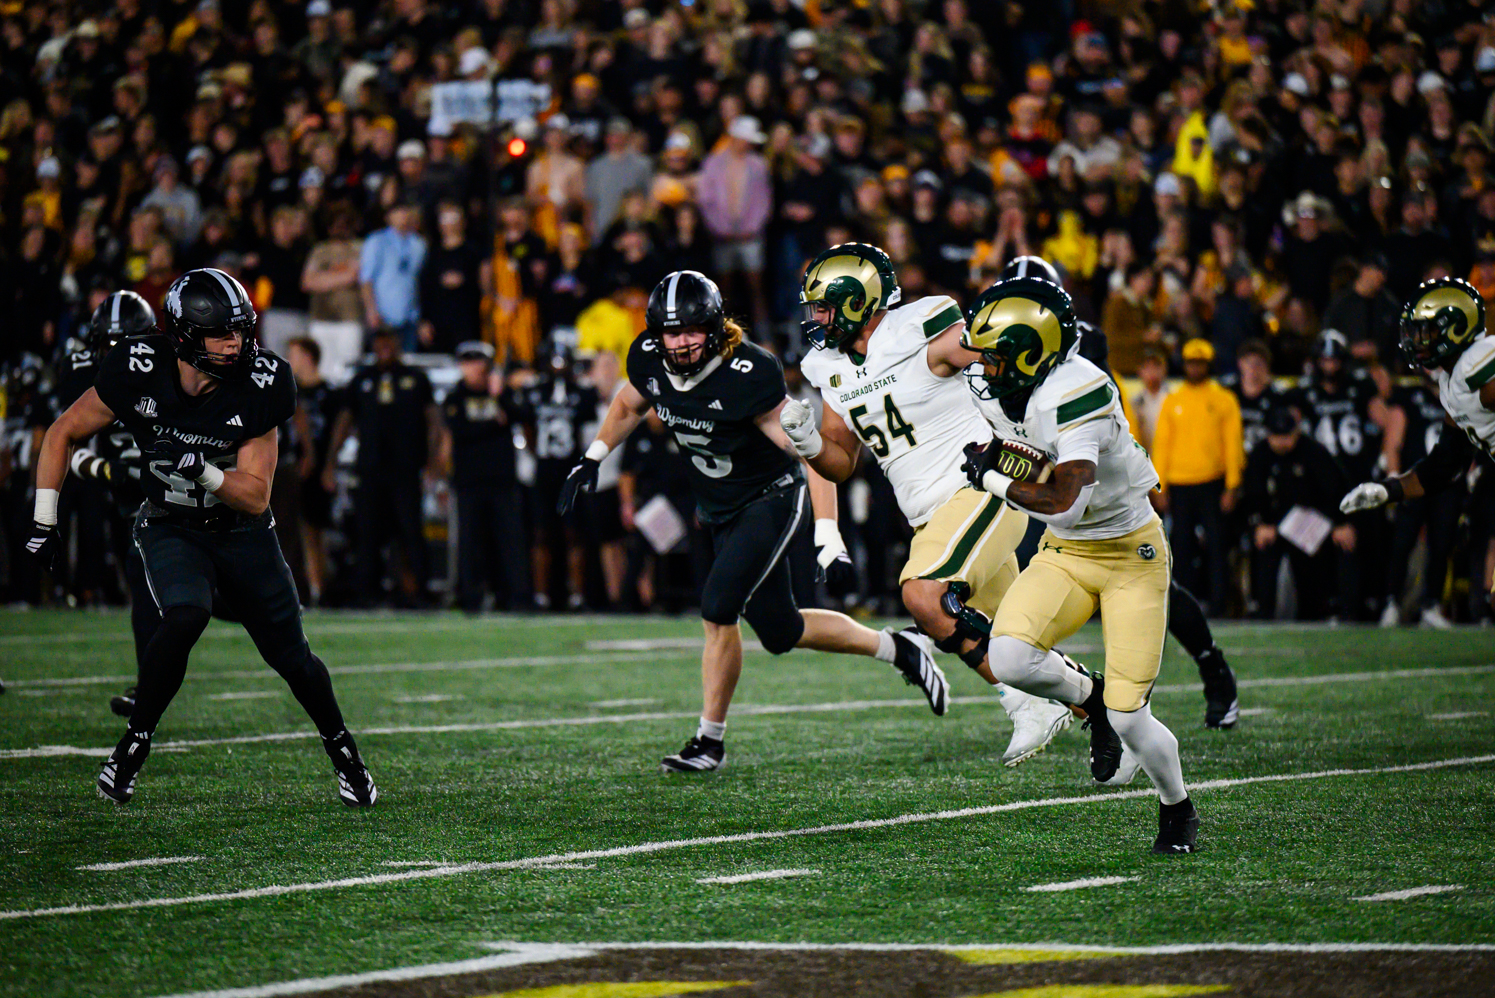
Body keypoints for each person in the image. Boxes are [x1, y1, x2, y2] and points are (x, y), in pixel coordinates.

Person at [559, 270, 949, 773]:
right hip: (718, 507)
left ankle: (709, 740)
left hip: (770, 499)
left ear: (716, 327)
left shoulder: (749, 372)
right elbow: (630, 402)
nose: (679, 343)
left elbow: (809, 451)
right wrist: (593, 456)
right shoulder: (649, 357)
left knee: (718, 606)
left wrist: (827, 536)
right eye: (670, 332)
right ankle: (901, 648)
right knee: (780, 630)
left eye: (691, 331)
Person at [26, 268, 375, 806]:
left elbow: (257, 494)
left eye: (241, 330)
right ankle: (134, 744)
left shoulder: (264, 382)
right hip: (170, 523)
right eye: (223, 333)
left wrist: (205, 471)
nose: (237, 343)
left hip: (243, 532)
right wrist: (43, 521)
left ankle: (343, 750)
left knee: (292, 658)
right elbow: (62, 432)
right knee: (185, 613)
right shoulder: (138, 366)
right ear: (187, 335)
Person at [782, 243, 1074, 766]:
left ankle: (1024, 703)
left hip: (979, 488)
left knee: (925, 598)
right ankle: (1108, 716)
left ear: (856, 302)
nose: (816, 320)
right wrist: (807, 445)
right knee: (1020, 648)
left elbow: (1000, 359)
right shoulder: (827, 367)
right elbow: (840, 462)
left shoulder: (920, 328)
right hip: (929, 517)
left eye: (824, 307)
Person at [959, 275, 1199, 854]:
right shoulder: (998, 390)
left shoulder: (1078, 386)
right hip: (1065, 551)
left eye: (993, 356)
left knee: (1132, 715)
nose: (983, 368)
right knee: (1010, 656)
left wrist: (992, 475)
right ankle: (1087, 698)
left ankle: (1177, 805)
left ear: (1028, 352)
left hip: (1128, 554)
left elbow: (1065, 497)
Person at [1004, 255, 1237, 730]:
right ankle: (1059, 696)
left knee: (1151, 583)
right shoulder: (996, 344)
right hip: (1036, 473)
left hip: (1093, 474)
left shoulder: (1082, 342)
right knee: (1022, 577)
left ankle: (1211, 668)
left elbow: (1092, 415)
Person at [1341, 277, 1495, 619]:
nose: (1415, 340)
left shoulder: (1477, 367)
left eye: (1424, 332)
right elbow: (1446, 464)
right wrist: (1390, 490)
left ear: (1455, 329)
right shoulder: (1453, 383)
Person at [53, 291, 158, 717]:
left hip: (171, 485)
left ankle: (149, 687)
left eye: (126, 345)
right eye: (109, 346)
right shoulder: (79, 371)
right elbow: (62, 445)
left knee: (150, 576)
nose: (117, 356)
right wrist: (108, 471)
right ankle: (149, 685)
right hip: (120, 486)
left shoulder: (173, 365)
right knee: (146, 582)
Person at [323, 327, 444, 608]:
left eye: (389, 341)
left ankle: (418, 591)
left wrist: (434, 463)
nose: (384, 346)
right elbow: (344, 422)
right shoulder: (361, 379)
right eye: (379, 341)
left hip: (406, 468)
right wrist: (330, 463)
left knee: (410, 530)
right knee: (367, 531)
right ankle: (367, 591)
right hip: (369, 469)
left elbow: (434, 424)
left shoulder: (416, 379)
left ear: (397, 344)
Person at [1289, 330, 1400, 618]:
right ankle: (1323, 606)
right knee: (1316, 546)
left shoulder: (1359, 387)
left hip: (1357, 477)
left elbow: (1386, 421)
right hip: (1319, 486)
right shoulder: (1302, 394)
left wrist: (1386, 459)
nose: (1330, 366)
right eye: (1324, 360)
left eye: (1334, 359)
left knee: (1368, 545)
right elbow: (1289, 432)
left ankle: (1367, 604)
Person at [1151, 339, 1244, 615]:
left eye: (1200, 363)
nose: (1195, 368)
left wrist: (1232, 485)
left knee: (1217, 547)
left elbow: (1233, 443)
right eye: (1191, 362)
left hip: (1212, 482)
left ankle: (1218, 604)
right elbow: (1162, 444)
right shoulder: (1173, 400)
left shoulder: (1223, 399)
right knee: (1181, 547)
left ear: (1208, 365)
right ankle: (1184, 607)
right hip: (1179, 485)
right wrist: (1159, 486)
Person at [1242, 406, 1356, 620]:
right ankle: (1261, 608)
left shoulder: (1314, 452)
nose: (1282, 442)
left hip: (1310, 523)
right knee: (1263, 547)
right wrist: (1259, 523)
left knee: (1316, 561)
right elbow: (1252, 494)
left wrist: (1340, 522)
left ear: (1296, 432)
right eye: (1277, 436)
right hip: (1273, 523)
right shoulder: (1260, 455)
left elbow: (1336, 489)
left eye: (1287, 436)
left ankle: (1320, 612)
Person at [442, 341, 528, 613]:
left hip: (502, 481)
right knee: (470, 544)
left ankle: (515, 597)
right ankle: (471, 597)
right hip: (469, 482)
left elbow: (522, 415)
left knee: (510, 542)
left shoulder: (502, 393)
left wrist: (500, 396)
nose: (475, 367)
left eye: (479, 361)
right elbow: (461, 431)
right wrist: (494, 422)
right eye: (469, 362)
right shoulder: (455, 398)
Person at [518, 342, 600, 610]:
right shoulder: (534, 392)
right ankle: (542, 594)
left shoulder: (581, 393)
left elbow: (588, 429)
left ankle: (576, 594)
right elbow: (527, 428)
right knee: (541, 534)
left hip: (570, 472)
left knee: (573, 534)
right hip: (544, 472)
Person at [285, 337, 337, 606]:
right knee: (296, 531)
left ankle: (319, 588)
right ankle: (306, 587)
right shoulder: (288, 390)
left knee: (314, 530)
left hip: (315, 470)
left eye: (294, 354)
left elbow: (338, 429)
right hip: (292, 467)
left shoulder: (328, 392)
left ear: (308, 356)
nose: (289, 359)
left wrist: (325, 463)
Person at [359, 202, 426, 353]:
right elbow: (366, 279)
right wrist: (371, 310)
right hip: (383, 317)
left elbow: (420, 281)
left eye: (405, 211)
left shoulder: (419, 244)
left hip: (410, 317)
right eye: (398, 211)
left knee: (408, 365)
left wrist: (421, 318)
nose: (403, 215)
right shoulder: (376, 241)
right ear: (388, 217)